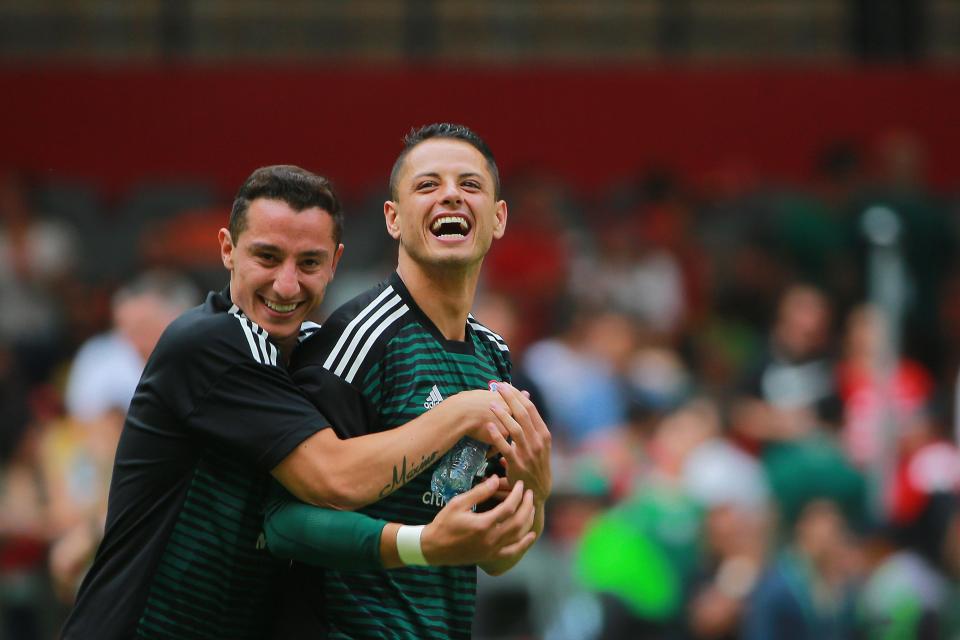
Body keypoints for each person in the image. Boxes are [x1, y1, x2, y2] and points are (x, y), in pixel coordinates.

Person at [60, 165, 536, 639]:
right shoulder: (211, 342)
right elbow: (334, 478)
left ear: (335, 263)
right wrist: (459, 415)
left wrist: (536, 474)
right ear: (227, 250)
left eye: (308, 263)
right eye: (267, 257)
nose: (286, 285)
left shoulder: (314, 351)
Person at [268, 123, 553, 639]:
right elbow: (284, 520)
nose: (450, 194)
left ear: (499, 218)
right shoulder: (359, 338)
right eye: (427, 185)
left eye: (470, 185)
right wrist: (453, 420)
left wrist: (535, 486)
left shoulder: (494, 354)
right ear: (393, 219)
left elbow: (497, 557)